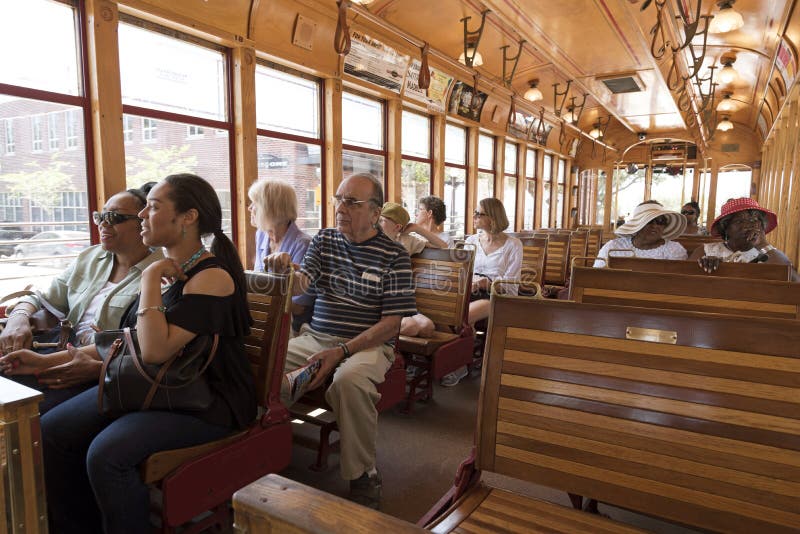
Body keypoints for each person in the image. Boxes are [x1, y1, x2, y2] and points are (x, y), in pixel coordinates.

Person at [11, 173, 255, 534]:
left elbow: (154, 350)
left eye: (153, 207)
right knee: (51, 430)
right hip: (163, 383)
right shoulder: (175, 269)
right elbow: (128, 339)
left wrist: (149, 278)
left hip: (208, 400)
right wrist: (49, 360)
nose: (143, 215)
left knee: (107, 455)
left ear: (187, 217)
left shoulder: (210, 277)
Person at [266, 173, 415, 510]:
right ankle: (258, 447)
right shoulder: (325, 240)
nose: (340, 207)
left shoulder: (394, 256)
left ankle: (364, 473)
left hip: (369, 344)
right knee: (265, 366)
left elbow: (392, 323)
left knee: (348, 382)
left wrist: (343, 351)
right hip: (317, 337)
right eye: (338, 199)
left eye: (351, 202)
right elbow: (304, 285)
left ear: (376, 213)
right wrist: (285, 273)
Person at [0, 184, 163, 413]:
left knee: (32, 411)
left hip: (99, 366)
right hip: (62, 349)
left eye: (115, 217)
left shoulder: (160, 273)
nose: (103, 224)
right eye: (100, 216)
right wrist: (18, 317)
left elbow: (138, 344)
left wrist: (53, 362)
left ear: (144, 222)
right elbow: (44, 297)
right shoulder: (91, 256)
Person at [441, 198, 522, 388]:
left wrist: (485, 283)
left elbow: (512, 285)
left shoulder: (513, 245)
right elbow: (460, 270)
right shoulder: (470, 241)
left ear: (493, 217)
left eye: (479, 213)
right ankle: (446, 358)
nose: (474, 216)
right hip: (469, 290)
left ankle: (459, 365)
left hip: (496, 295)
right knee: (441, 312)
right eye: (475, 212)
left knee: (463, 316)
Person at [248, 179, 314, 331]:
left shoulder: (303, 244)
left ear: (272, 210)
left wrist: (257, 299)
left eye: (255, 203)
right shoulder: (261, 235)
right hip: (268, 316)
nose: (250, 208)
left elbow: (299, 307)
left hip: (292, 324)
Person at [689, 197, 799, 280]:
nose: (749, 225)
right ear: (725, 228)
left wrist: (762, 245)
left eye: (755, 219)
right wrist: (703, 267)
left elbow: (794, 286)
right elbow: (684, 282)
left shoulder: (769, 254)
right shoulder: (705, 251)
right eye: (740, 221)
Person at [378, 202, 434, 338]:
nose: (377, 224)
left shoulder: (406, 241)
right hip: (381, 303)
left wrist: (417, 228)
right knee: (410, 327)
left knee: (427, 327)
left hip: (401, 301)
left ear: (397, 227)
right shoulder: (371, 240)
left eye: (382, 221)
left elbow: (442, 246)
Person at [594, 201, 688, 267]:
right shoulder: (613, 246)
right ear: (637, 225)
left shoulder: (674, 250)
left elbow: (675, 284)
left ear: (664, 226)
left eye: (660, 221)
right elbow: (597, 275)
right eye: (650, 221)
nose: (655, 226)